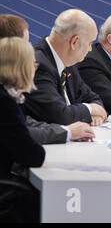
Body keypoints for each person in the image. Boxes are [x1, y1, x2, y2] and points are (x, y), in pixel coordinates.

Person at [0, 14, 95, 144]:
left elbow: (23, 121)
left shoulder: (67, 62)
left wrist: (67, 131)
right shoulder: (40, 63)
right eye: (26, 43)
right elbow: (20, 134)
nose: (31, 49)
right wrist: (67, 132)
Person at [24, 9, 107, 125]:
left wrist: (96, 112)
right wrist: (90, 110)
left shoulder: (67, 61)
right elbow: (58, 115)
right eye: (89, 43)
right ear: (75, 42)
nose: (90, 49)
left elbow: (92, 97)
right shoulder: (37, 64)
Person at [0, 37, 45, 222]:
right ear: (22, 67)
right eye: (32, 64)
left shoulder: (9, 97)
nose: (34, 69)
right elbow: (33, 155)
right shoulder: (5, 103)